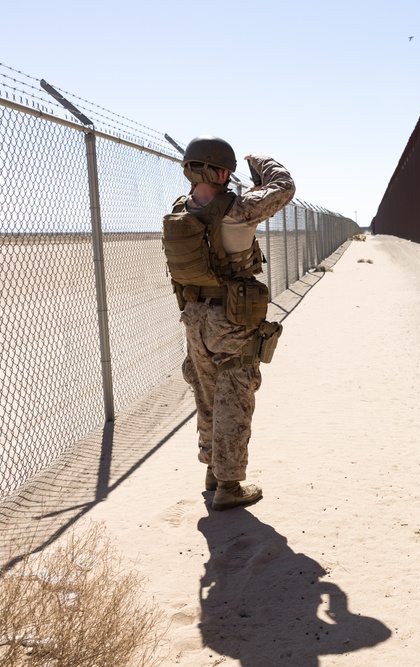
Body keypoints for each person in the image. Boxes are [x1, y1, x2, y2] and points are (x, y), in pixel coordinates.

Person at [163, 135, 295, 511]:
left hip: (194, 315)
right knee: (234, 394)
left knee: (205, 394)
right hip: (230, 318)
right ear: (222, 171)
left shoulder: (180, 209)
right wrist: (261, 159)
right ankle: (230, 485)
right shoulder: (237, 209)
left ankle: (212, 470)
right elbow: (284, 187)